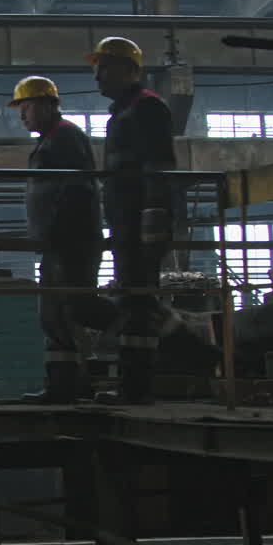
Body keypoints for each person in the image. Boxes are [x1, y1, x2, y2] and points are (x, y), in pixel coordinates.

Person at [87, 36, 177, 404]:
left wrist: (152, 221)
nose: (97, 77)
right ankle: (132, 383)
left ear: (130, 69)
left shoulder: (148, 108)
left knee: (139, 301)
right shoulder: (124, 112)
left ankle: (136, 387)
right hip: (126, 224)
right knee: (132, 298)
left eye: (105, 67)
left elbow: (159, 168)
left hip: (139, 224)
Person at [9, 76, 103, 403]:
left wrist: (57, 236)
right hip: (58, 243)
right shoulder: (53, 139)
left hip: (70, 242)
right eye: (20, 109)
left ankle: (134, 327)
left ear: (49, 104)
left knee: (73, 308)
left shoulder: (65, 137)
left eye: (28, 106)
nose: (23, 115)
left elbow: (75, 192)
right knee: (56, 314)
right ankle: (67, 385)